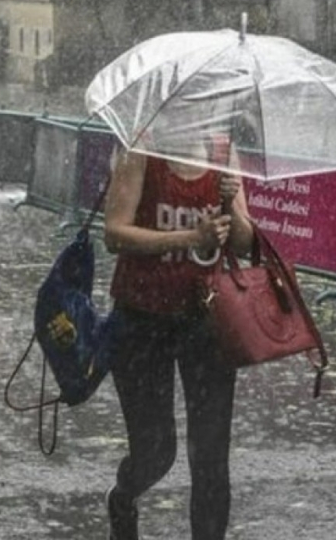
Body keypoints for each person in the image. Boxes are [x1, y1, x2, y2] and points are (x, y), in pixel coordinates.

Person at [102, 143, 254, 540]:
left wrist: (231, 203)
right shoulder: (142, 150)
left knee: (210, 457)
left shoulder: (223, 154)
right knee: (156, 453)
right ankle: (124, 496)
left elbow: (243, 243)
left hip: (205, 322)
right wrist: (190, 237)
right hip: (141, 321)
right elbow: (114, 234)